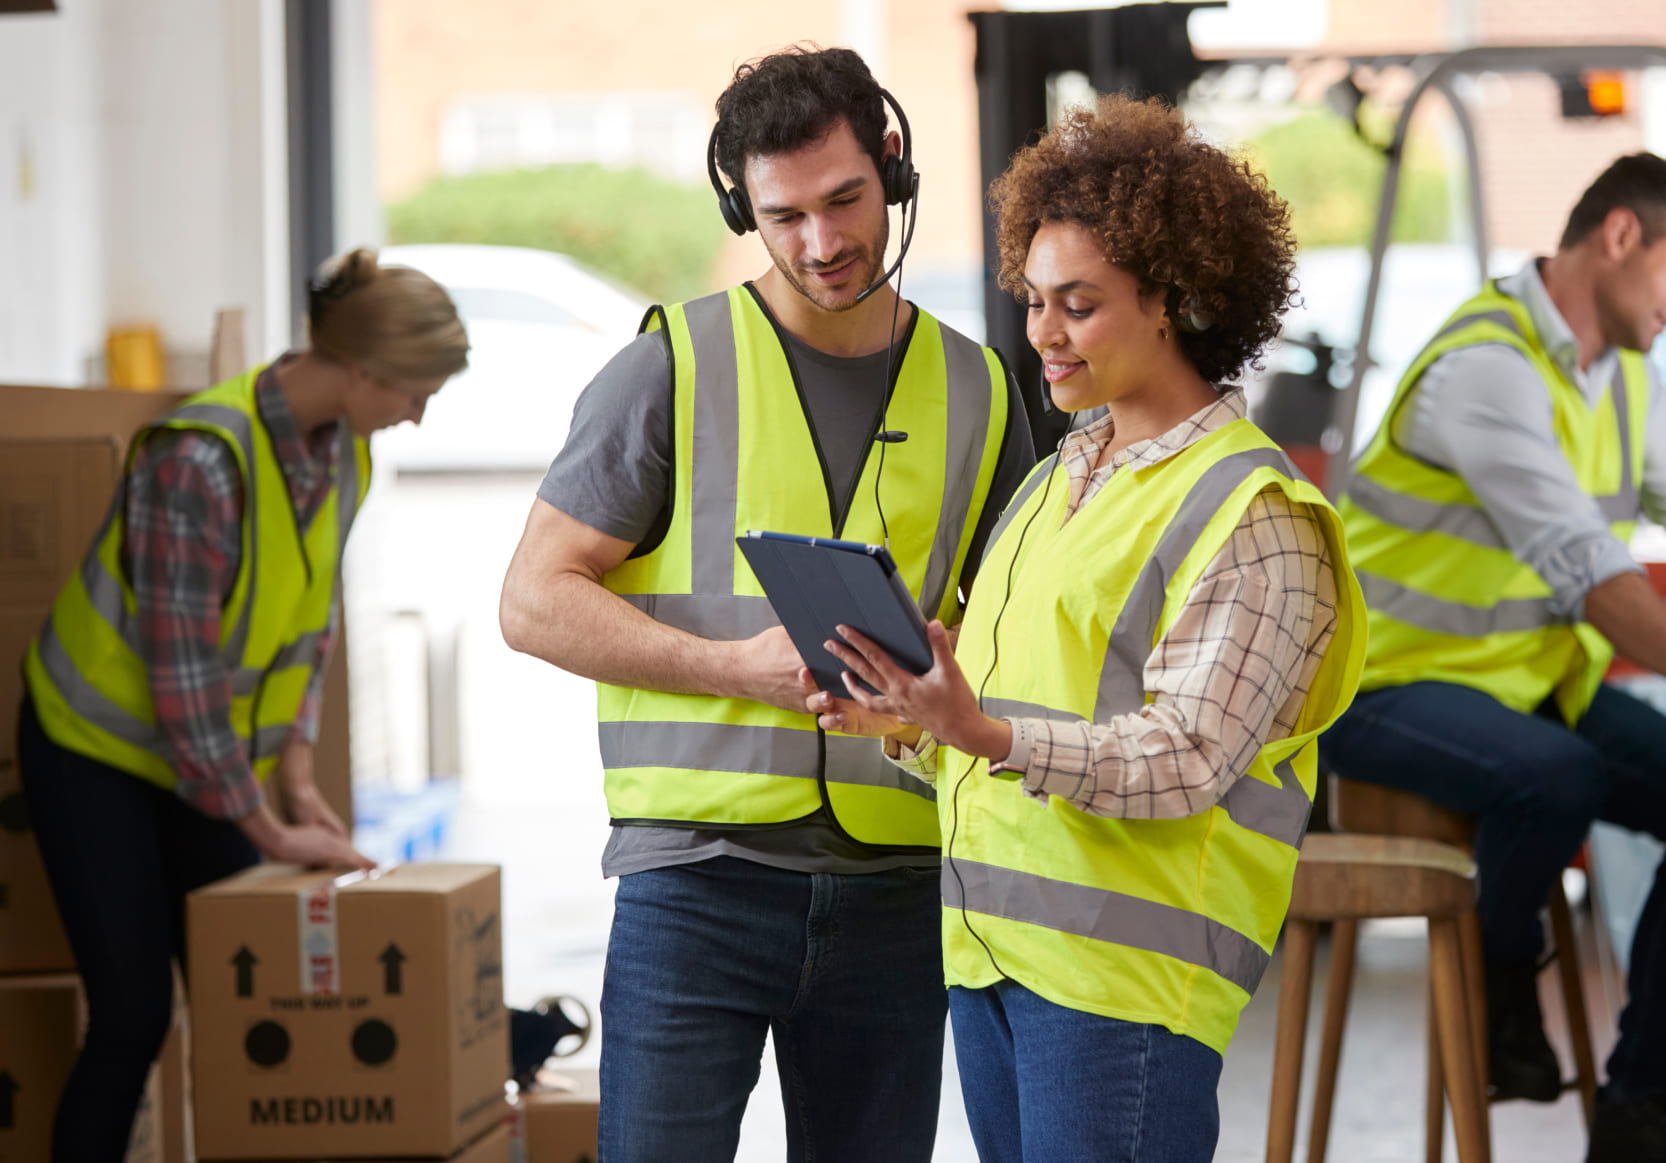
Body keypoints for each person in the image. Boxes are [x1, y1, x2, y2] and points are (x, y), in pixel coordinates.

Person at [498, 45, 1035, 1163]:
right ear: (742, 202)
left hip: (896, 881)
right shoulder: (671, 367)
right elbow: (533, 600)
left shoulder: (982, 387)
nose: (823, 243)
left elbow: (1019, 626)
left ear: (892, 167)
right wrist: (733, 665)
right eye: (784, 216)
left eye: (844, 202)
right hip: (697, 879)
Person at [806, 95, 1368, 1163]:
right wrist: (911, 715)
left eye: (1079, 305)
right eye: (1034, 300)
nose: (1043, 336)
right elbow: (1009, 717)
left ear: (1172, 302)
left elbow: (1186, 756)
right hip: (990, 955)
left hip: (1124, 988)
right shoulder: (1060, 478)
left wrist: (981, 733)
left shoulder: (1252, 516)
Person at [1319, 153, 1666, 1163]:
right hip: (1381, 686)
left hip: (1520, 686)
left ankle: (1638, 1104)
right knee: (1557, 773)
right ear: (1620, 237)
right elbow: (1588, 569)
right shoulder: (1487, 367)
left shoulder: (1619, 378)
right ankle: (1502, 984)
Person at [19, 247, 468, 1160]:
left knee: (242, 999)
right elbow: (182, 685)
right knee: (134, 1013)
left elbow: (308, 624)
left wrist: (296, 771)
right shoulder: (198, 461)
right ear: (363, 369)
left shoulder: (345, 455)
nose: (417, 415)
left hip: (202, 756)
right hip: (95, 747)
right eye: (415, 391)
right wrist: (271, 831)